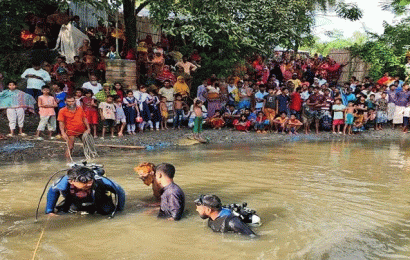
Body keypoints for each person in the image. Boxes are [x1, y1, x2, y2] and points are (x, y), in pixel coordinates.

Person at [45, 166, 125, 216]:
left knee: (108, 211)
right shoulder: (62, 183)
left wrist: (119, 209)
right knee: (63, 212)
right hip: (74, 201)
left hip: (99, 199)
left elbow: (120, 191)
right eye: (84, 182)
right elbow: (52, 192)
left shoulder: (102, 181)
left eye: (90, 181)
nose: (89, 184)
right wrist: (49, 211)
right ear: (71, 181)